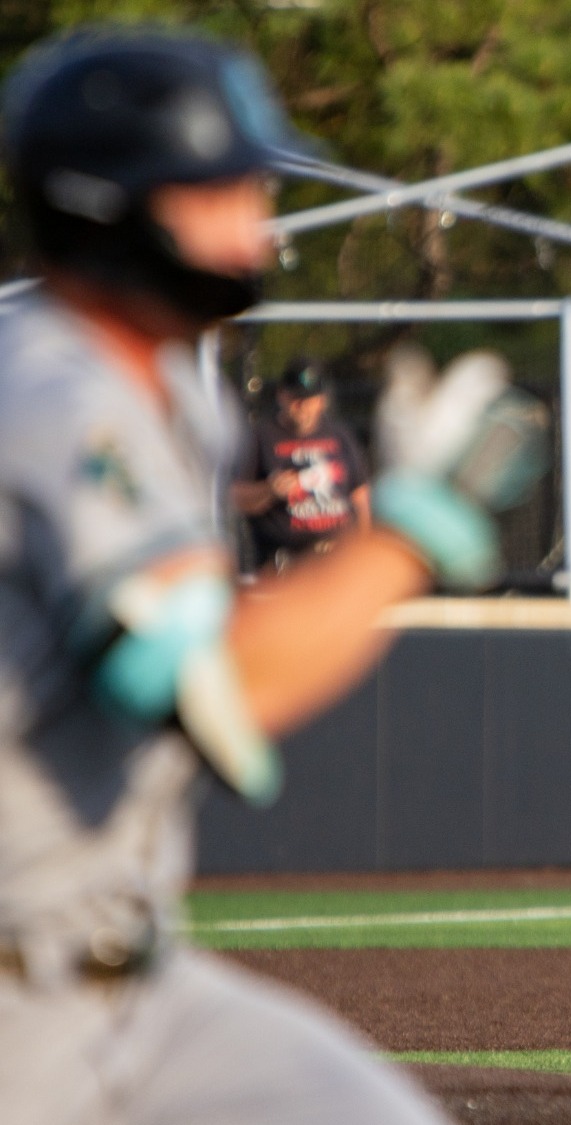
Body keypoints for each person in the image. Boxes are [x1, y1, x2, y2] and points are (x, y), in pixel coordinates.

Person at [0, 27, 543, 1123]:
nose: (257, 215)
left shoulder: (165, 388)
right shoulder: (55, 394)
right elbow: (208, 692)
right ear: (110, 206)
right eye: (218, 188)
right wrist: (418, 527)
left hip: (129, 975)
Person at [232, 357, 371, 573]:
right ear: (282, 397)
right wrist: (270, 490)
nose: (302, 407)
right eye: (295, 399)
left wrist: (362, 551)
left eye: (309, 400)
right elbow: (236, 497)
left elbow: (360, 495)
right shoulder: (261, 436)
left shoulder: (340, 435)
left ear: (321, 401)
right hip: (286, 565)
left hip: (336, 559)